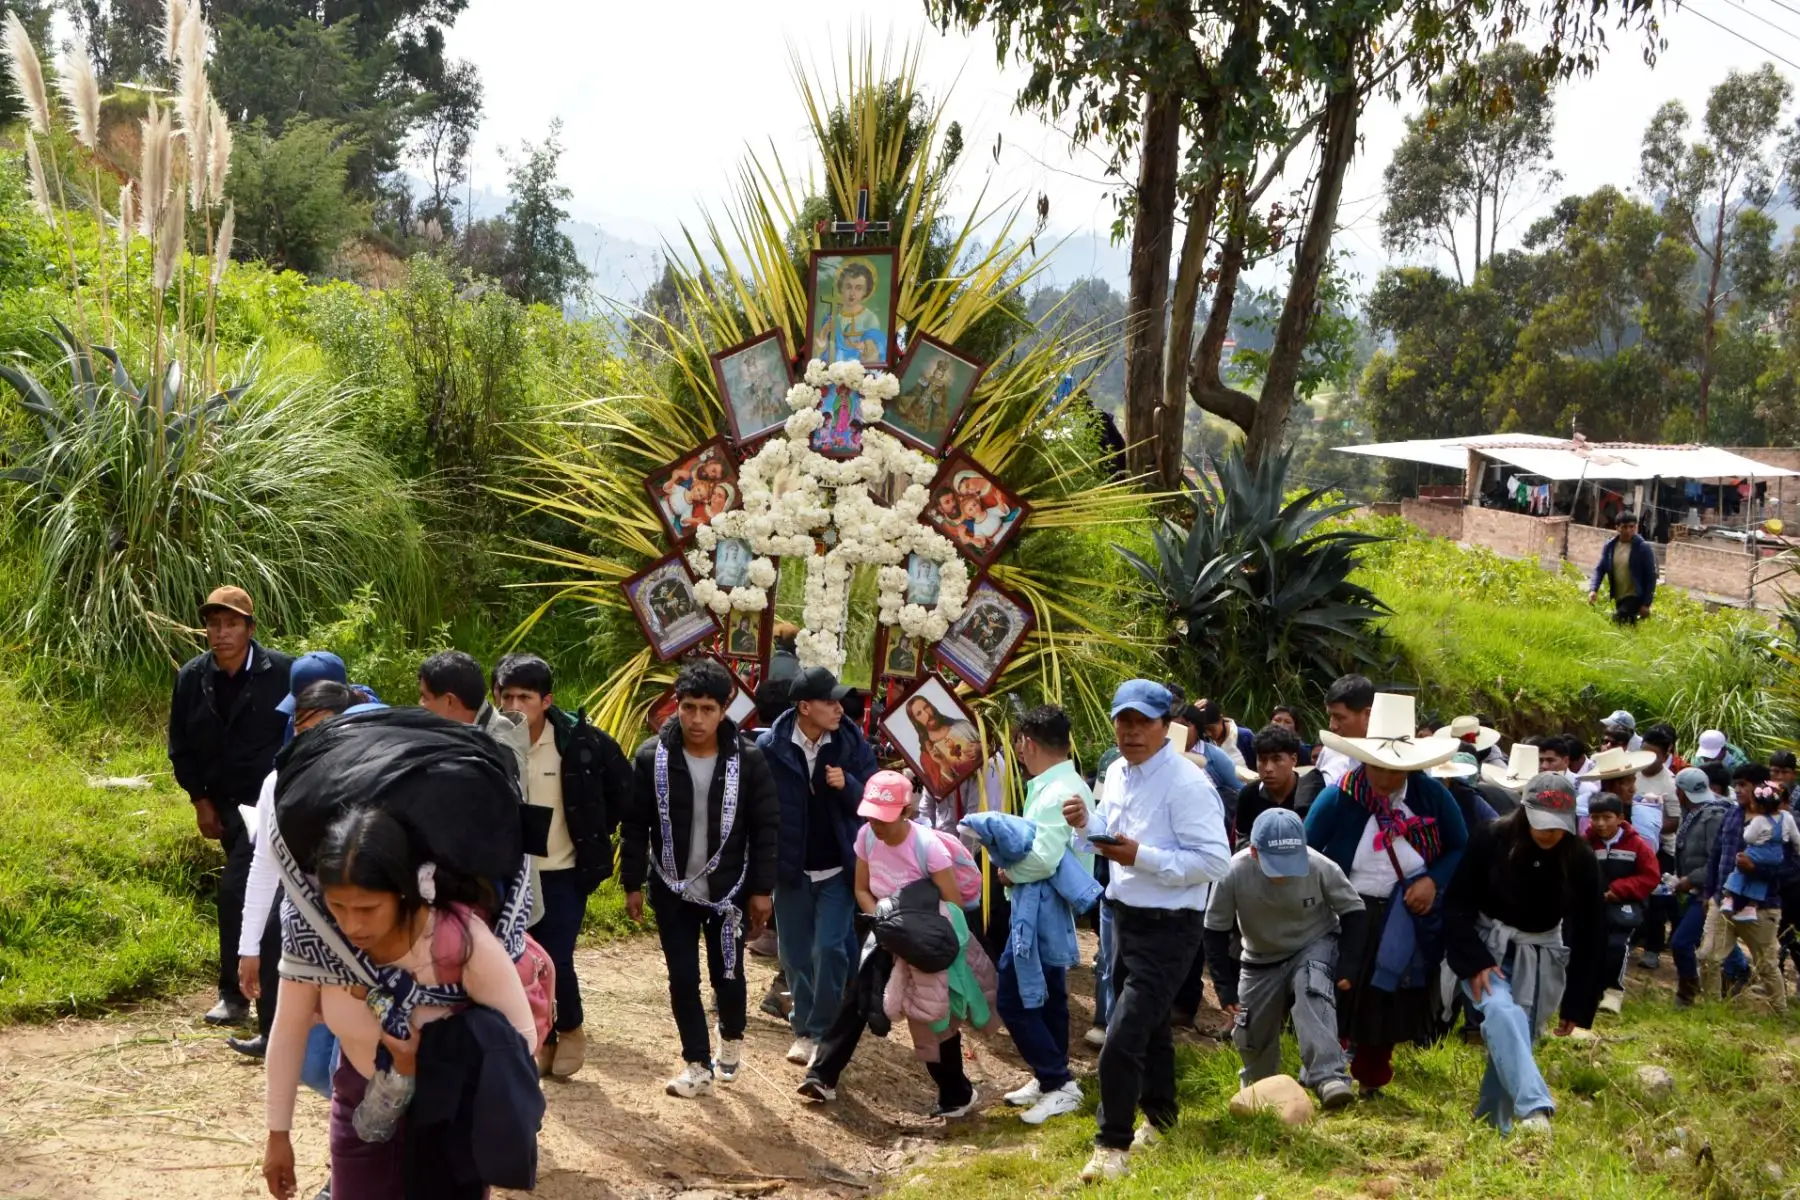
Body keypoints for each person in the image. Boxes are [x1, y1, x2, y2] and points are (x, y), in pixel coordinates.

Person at [261, 803, 539, 1200]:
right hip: (360, 1106)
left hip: (449, 1119)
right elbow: (288, 1030)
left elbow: (520, 1042)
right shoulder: (321, 941)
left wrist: (426, 1063)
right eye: (338, 907)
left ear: (404, 892)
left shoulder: (458, 942)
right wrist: (278, 1135)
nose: (351, 925)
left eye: (368, 909)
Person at [1062, 680, 1230, 1184]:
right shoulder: (1116, 771)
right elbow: (1109, 836)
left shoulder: (1188, 784)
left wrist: (1143, 856)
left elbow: (1215, 862)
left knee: (1122, 1036)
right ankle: (1161, 1118)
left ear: (1165, 726)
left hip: (1171, 927)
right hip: (1123, 918)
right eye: (1124, 722)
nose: (1132, 732)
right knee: (1151, 1029)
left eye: (1143, 723)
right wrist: (1085, 824)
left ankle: (1111, 1146)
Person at [622, 659, 780, 1098]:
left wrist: (762, 890)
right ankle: (696, 1063)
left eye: (707, 709)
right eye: (688, 707)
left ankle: (731, 1036)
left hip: (729, 891)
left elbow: (767, 827)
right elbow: (635, 824)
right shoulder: (652, 757)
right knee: (682, 977)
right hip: (671, 888)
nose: (696, 719)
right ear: (676, 706)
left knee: (726, 974)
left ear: (725, 709)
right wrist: (631, 883)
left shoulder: (748, 760)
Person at [1303, 692, 1468, 1100]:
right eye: (1377, 766)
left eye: (1395, 769)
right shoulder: (1339, 796)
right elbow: (1306, 849)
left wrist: (1432, 881)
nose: (1384, 777)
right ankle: (1327, 1069)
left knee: (1387, 994)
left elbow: (1459, 845)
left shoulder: (1432, 797)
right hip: (1348, 909)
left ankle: (1372, 1074)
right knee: (1338, 987)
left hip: (1403, 913)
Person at [493, 653, 633, 1079]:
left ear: (546, 701)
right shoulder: (490, 742)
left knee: (557, 958)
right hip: (511, 874)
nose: (515, 706)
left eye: (525, 697)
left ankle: (571, 1028)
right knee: (517, 957)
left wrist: (595, 833)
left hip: (564, 871)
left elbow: (623, 791)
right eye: (507, 697)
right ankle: (543, 1038)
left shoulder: (580, 743)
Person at [1443, 775, 1604, 1136]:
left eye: (1557, 825)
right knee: (1502, 1012)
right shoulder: (1491, 838)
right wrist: (1475, 960)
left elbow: (1591, 931)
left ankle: (1491, 1126)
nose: (1548, 833)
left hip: (1541, 954)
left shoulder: (1580, 859)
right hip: (1488, 945)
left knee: (1515, 1041)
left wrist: (1578, 1003)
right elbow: (1456, 903)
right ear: (1524, 811)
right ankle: (1535, 1107)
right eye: (1541, 822)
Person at [169, 585, 295, 1028]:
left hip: (271, 804)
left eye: (231, 624)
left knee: (236, 890)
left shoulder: (283, 672)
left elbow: (307, 730)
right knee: (264, 896)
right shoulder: (192, 677)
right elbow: (181, 746)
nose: (221, 633)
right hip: (224, 805)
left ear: (250, 628)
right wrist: (200, 802)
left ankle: (237, 997)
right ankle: (275, 992)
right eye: (214, 624)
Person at [756, 666, 878, 1067]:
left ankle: (822, 1031)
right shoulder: (771, 747)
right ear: (805, 707)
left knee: (829, 948)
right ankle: (804, 1029)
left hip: (839, 868)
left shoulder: (851, 743)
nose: (839, 708)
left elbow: (874, 799)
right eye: (830, 702)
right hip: (791, 869)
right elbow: (757, 808)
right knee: (793, 955)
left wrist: (849, 786)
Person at [233, 671, 358, 1060]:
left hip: (358, 935)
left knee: (348, 1052)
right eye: (301, 727)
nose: (308, 737)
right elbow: (264, 864)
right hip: (303, 932)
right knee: (310, 1061)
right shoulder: (277, 782)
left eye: (318, 726)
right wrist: (249, 947)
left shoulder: (367, 776)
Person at [1205, 808, 1365, 1111]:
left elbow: (1354, 911)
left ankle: (1328, 1076)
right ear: (1254, 852)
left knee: (1312, 990)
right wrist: (1224, 987)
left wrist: (1349, 965)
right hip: (1259, 956)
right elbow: (1214, 931)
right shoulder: (1232, 873)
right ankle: (1261, 1086)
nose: (1284, 873)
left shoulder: (1320, 866)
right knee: (1250, 1029)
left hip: (1313, 943)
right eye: (1275, 865)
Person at [989, 705, 1094, 1125]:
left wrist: (1007, 873)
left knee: (1013, 998)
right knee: (1049, 993)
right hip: (1044, 907)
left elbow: (1043, 859)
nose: (1018, 752)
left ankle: (1058, 1082)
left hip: (1040, 908)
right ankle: (1050, 1073)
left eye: (1018, 744)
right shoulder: (1062, 783)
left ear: (1027, 743)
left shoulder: (1056, 792)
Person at [1700, 765, 1786, 1010]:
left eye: (1743, 785)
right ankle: (1711, 1011)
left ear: (1760, 788)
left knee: (1766, 965)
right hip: (1723, 900)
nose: (1737, 790)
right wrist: (1709, 893)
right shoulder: (1732, 815)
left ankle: (1780, 1014)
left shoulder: (1780, 821)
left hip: (1761, 906)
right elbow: (1716, 856)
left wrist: (1755, 868)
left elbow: (1790, 867)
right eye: (1735, 785)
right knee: (1707, 957)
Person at [1582, 794, 1661, 1015]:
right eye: (1595, 817)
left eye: (1607, 817)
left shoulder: (1637, 844)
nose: (1600, 823)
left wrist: (1619, 890)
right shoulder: (1585, 843)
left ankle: (1613, 992)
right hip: (1593, 906)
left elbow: (1650, 876)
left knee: (1617, 945)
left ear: (1620, 818)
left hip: (1625, 905)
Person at [1717, 783, 1797, 923]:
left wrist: (1748, 830)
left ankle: (1729, 898)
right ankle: (1751, 907)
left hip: (1758, 853)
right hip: (1776, 856)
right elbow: (1796, 838)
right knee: (1760, 880)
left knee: (1739, 868)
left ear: (1760, 806)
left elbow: (1749, 838)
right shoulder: (1786, 817)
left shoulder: (1759, 820)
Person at [1233, 725, 1313, 848]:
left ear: (1294, 759)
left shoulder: (1309, 794)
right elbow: (1241, 842)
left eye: (1276, 759)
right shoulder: (1248, 795)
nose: (1268, 768)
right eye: (1262, 760)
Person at [1586, 511, 1656, 623]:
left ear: (1636, 527)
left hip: (1635, 596)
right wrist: (1593, 589)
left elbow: (1651, 577)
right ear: (1617, 528)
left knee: (1617, 620)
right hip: (1619, 597)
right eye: (1624, 527)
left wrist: (1646, 604)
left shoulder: (1643, 548)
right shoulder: (1610, 547)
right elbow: (1600, 569)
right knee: (1627, 627)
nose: (1628, 530)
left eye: (1631, 527)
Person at [1315, 674, 1375, 788]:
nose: (1332, 726)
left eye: (1340, 717)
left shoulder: (1389, 758)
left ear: (1367, 715)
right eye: (1330, 716)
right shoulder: (1329, 751)